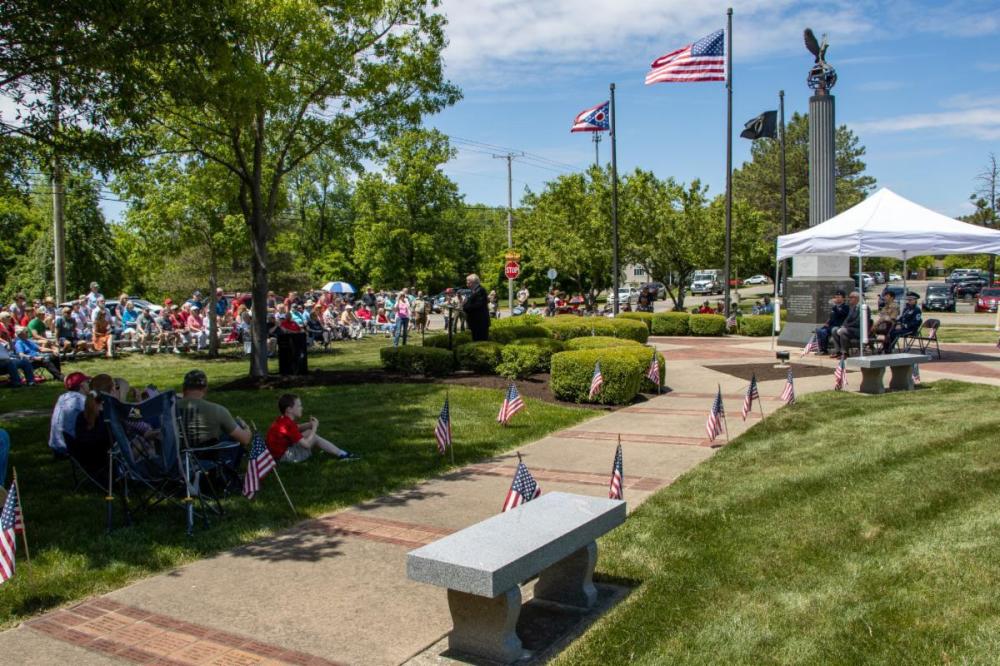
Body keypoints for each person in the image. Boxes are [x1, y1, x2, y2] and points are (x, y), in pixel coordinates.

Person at [176, 369, 251, 476]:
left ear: (184, 388)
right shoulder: (217, 410)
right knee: (235, 428)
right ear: (205, 388)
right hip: (207, 465)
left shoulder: (169, 409)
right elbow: (245, 439)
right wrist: (247, 428)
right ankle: (226, 474)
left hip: (178, 462)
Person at [265, 393, 358, 463]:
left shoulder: (283, 420)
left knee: (308, 432)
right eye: (299, 406)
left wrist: (310, 425)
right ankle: (343, 454)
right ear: (289, 409)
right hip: (285, 457)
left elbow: (296, 428)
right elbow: (307, 444)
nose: (302, 408)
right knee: (313, 436)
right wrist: (314, 428)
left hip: (275, 454)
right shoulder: (288, 424)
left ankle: (331, 449)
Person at [67, 374, 115, 479]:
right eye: (115, 388)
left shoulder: (81, 416)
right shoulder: (110, 418)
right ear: (111, 391)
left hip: (86, 461)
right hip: (109, 465)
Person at [50, 372, 90, 455]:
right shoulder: (80, 400)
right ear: (82, 385)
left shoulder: (62, 397)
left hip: (55, 445)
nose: (89, 385)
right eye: (87, 382)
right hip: (69, 448)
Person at [814, 290, 849, 354]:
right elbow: (832, 318)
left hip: (838, 326)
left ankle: (824, 350)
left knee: (824, 332)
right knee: (819, 330)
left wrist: (835, 306)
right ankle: (821, 349)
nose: (837, 298)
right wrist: (826, 324)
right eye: (836, 297)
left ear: (843, 298)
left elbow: (840, 314)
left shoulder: (845, 307)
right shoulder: (835, 308)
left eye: (839, 297)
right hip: (831, 326)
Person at [829, 291, 862, 358]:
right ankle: (838, 352)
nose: (849, 299)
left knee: (842, 331)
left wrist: (846, 326)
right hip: (850, 328)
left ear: (856, 298)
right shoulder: (852, 308)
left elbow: (858, 321)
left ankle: (844, 353)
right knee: (834, 330)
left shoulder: (862, 307)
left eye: (851, 297)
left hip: (857, 330)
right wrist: (843, 325)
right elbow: (847, 319)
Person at [462, 273, 490, 342]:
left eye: (467, 281)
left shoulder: (480, 290)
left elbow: (478, 305)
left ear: (473, 282)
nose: (466, 283)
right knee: (476, 341)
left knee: (480, 342)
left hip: (480, 322)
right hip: (476, 322)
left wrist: (466, 307)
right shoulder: (474, 291)